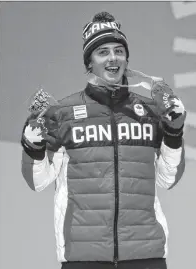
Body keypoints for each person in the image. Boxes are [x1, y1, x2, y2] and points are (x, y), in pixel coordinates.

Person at [21, 11, 186, 269]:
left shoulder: (151, 112)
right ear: (90, 62)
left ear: (127, 59)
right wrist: (33, 147)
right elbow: (37, 181)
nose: (113, 58)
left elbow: (169, 179)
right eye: (103, 51)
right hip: (84, 259)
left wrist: (174, 133)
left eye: (119, 50)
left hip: (147, 256)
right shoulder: (63, 114)